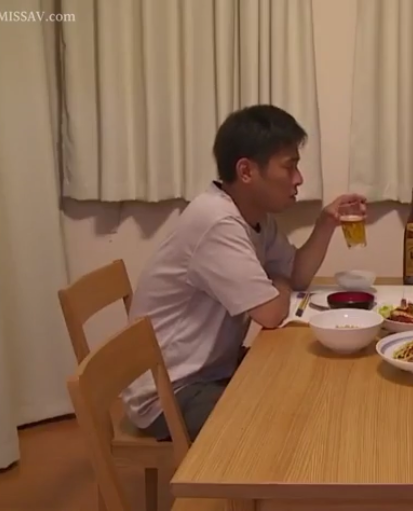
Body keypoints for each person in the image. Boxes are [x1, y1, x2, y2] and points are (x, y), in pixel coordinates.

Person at [122, 105, 366, 441]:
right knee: (290, 424)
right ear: (246, 171)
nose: (299, 179)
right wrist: (277, 282)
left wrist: (326, 223)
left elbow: (295, 275)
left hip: (211, 369)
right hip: (171, 392)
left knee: (310, 384)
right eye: (289, 166)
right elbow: (271, 313)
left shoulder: (255, 216)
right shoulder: (217, 222)